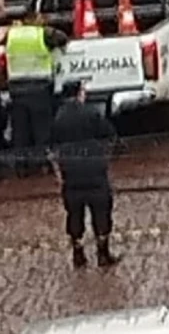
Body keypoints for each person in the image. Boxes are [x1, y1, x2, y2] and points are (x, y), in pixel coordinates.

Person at [50, 81, 121, 269]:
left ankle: (78, 253)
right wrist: (104, 156)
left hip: (71, 175)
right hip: (94, 171)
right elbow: (110, 135)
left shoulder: (58, 117)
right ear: (79, 93)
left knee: (74, 215)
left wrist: (59, 169)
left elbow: (51, 147)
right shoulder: (91, 113)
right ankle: (103, 253)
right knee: (101, 212)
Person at [5, 13, 68, 176]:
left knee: (20, 131)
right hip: (39, 88)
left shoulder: (12, 34)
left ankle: (21, 167)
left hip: (17, 90)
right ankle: (42, 165)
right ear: (33, 19)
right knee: (42, 130)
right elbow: (62, 38)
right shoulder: (42, 33)